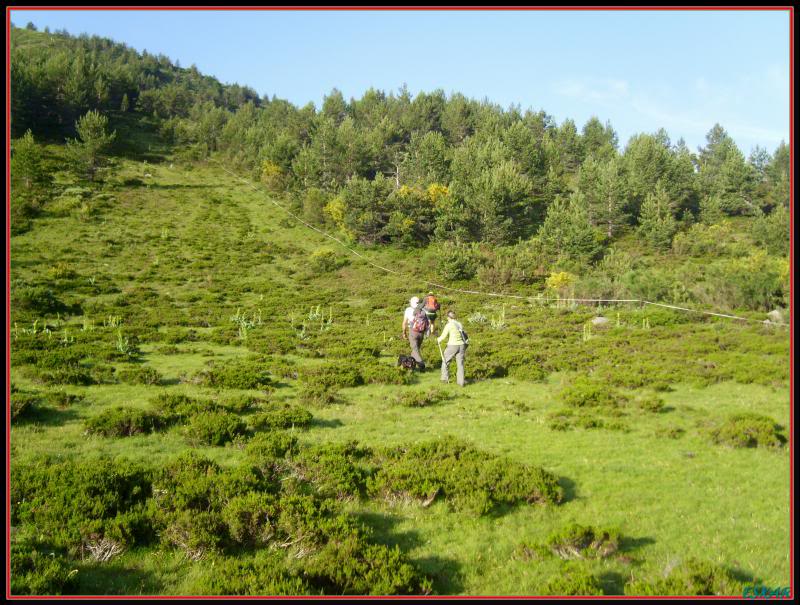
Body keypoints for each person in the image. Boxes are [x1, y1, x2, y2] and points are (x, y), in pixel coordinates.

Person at [437, 309, 468, 387]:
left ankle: (444, 379)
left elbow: (443, 336)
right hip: (462, 345)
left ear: (448, 317)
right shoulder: (459, 324)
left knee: (445, 361)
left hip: (452, 345)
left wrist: (438, 340)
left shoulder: (449, 325)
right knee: (460, 364)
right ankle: (461, 382)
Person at [401, 296, 427, 370]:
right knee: (416, 349)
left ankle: (421, 364)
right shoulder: (423, 309)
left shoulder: (408, 310)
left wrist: (404, 333)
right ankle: (411, 366)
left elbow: (404, 323)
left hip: (413, 331)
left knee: (415, 350)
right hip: (421, 332)